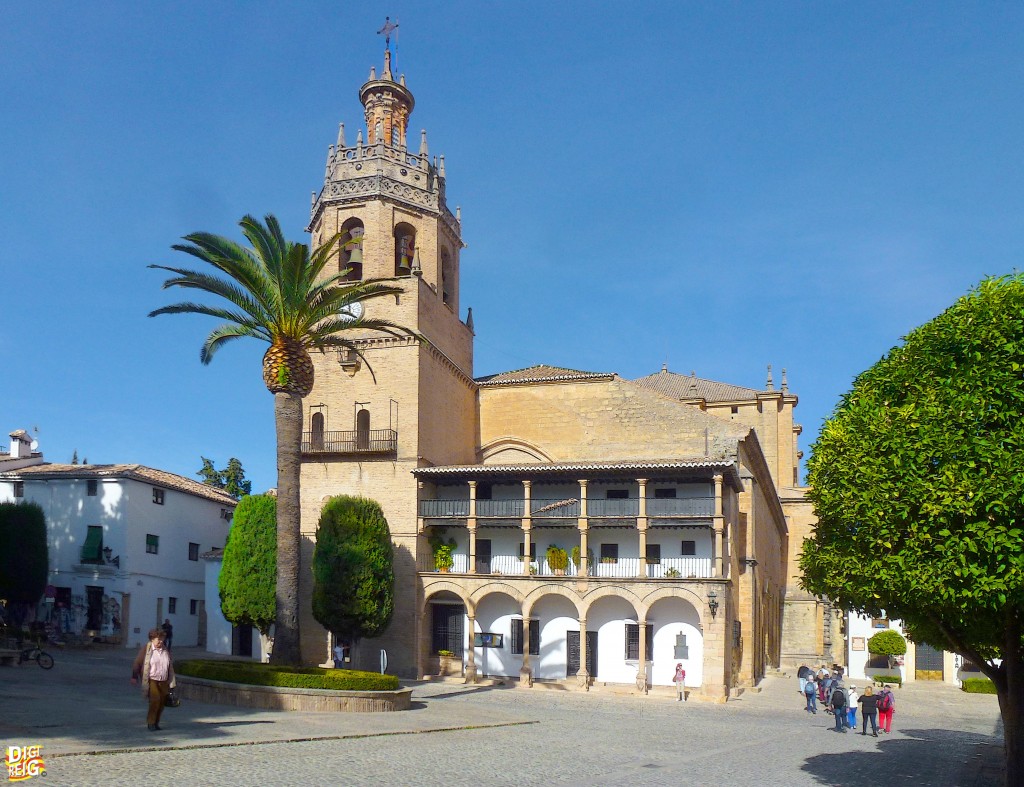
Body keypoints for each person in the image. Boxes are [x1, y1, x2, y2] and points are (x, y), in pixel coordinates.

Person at [131, 629, 175, 731]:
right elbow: (137, 662)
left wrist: (171, 680)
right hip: (152, 679)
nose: (160, 641)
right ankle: (150, 723)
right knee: (155, 701)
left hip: (164, 680)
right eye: (158, 639)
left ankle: (156, 722)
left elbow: (170, 665)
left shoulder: (165, 650)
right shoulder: (146, 649)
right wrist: (134, 676)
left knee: (162, 703)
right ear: (152, 639)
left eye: (162, 639)